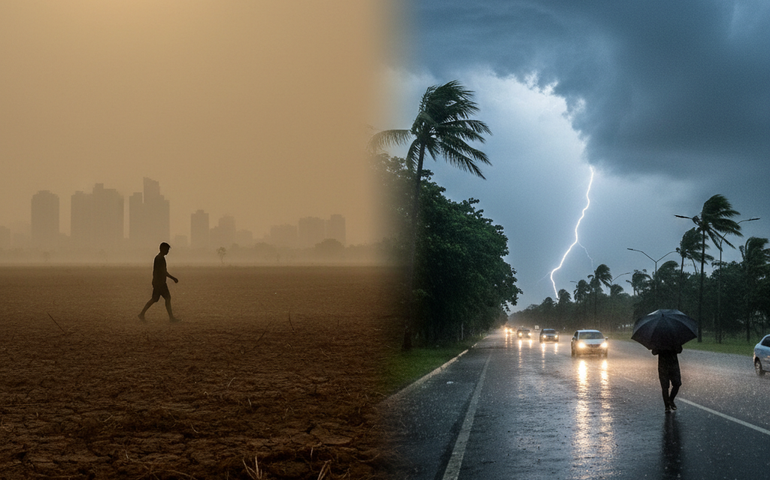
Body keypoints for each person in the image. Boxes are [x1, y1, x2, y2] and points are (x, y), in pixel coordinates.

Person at [138, 242, 179, 322]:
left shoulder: (159, 258)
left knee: (155, 299)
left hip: (158, 282)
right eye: (167, 249)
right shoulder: (160, 258)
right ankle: (171, 318)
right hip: (160, 283)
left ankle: (142, 314)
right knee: (166, 298)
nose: (167, 251)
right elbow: (163, 272)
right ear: (162, 249)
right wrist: (173, 278)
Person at [652, 345, 683, 413]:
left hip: (673, 366)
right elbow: (654, 352)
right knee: (665, 386)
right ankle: (667, 406)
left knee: (677, 384)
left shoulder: (674, 340)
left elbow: (679, 350)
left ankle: (670, 400)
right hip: (663, 366)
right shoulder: (659, 341)